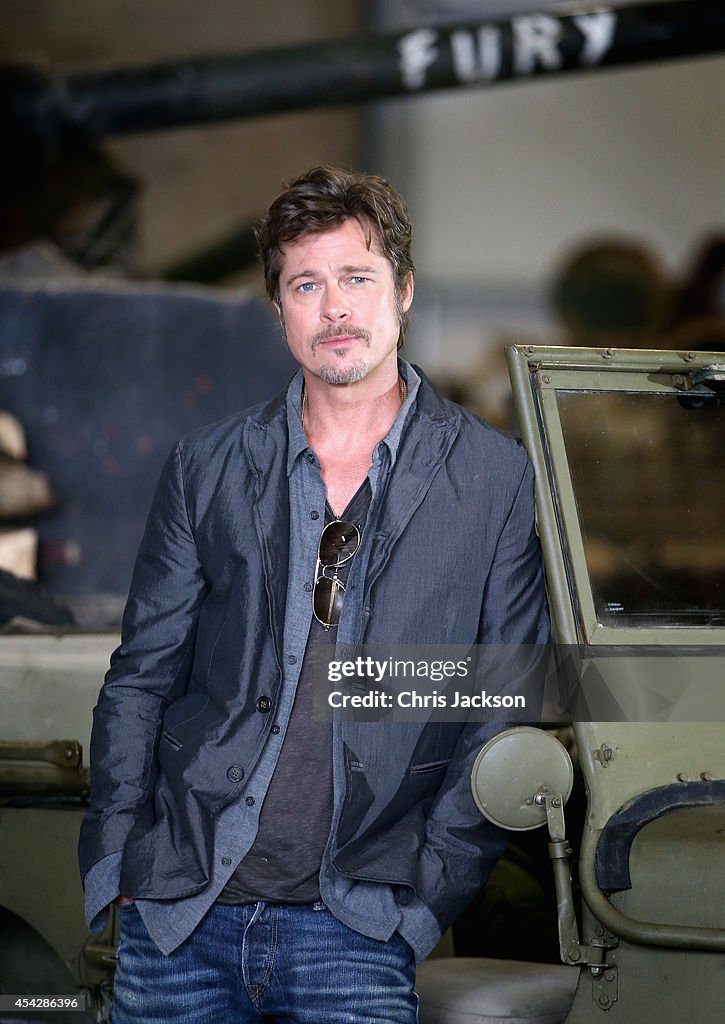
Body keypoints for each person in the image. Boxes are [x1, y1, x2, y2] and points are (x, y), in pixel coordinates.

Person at [79, 165, 549, 1023]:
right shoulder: (207, 466)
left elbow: (504, 701)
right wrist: (118, 866)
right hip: (180, 918)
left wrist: (422, 902)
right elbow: (140, 678)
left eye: (357, 278)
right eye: (306, 284)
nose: (334, 307)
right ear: (280, 312)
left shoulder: (493, 477)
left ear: (401, 291)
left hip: (359, 929)